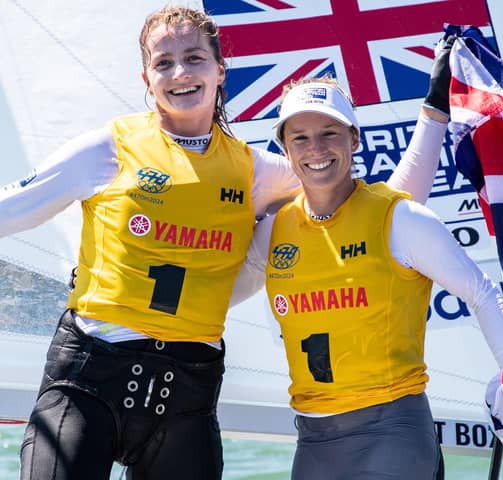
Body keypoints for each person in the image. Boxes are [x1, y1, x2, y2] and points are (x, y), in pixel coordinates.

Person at [0, 5, 452, 480]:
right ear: (146, 78)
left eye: (194, 58)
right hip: (90, 380)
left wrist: (433, 113)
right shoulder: (108, 148)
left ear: (219, 71)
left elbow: (389, 211)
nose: (180, 73)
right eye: (163, 63)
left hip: (186, 396)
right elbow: (10, 209)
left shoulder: (256, 171)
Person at [231, 66, 503, 479]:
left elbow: (483, 293)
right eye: (301, 138)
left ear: (354, 138)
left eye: (330, 133)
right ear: (285, 150)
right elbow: (209, 301)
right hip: (314, 441)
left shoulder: (402, 218)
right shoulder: (274, 231)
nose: (316, 148)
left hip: (394, 432)